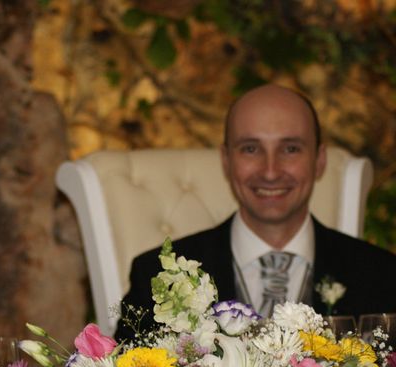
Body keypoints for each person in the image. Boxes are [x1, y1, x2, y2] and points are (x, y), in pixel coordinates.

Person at [116, 84, 396, 341]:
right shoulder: (157, 278)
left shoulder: (383, 276)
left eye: (290, 149)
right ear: (226, 161)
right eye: (250, 149)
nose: (270, 171)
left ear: (319, 160)